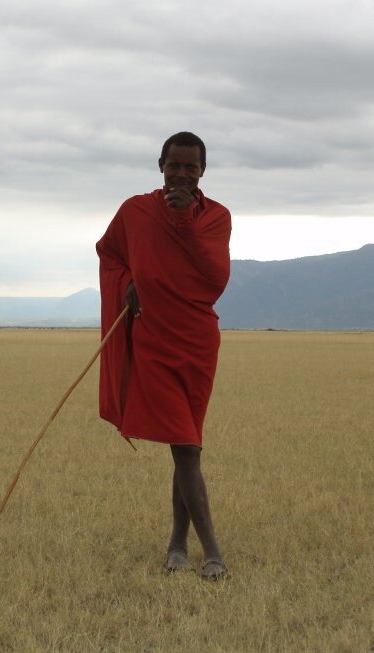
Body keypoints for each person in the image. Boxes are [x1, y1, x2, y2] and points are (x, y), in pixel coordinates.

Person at [96, 131, 231, 578]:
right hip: (153, 340)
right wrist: (128, 280)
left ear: (203, 172)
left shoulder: (215, 218)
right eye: (175, 165)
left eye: (191, 167)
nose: (182, 174)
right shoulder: (135, 211)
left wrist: (185, 223)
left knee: (185, 442)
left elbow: (214, 279)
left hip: (197, 344)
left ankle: (176, 543)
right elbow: (109, 253)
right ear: (160, 165)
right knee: (187, 447)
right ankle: (211, 553)